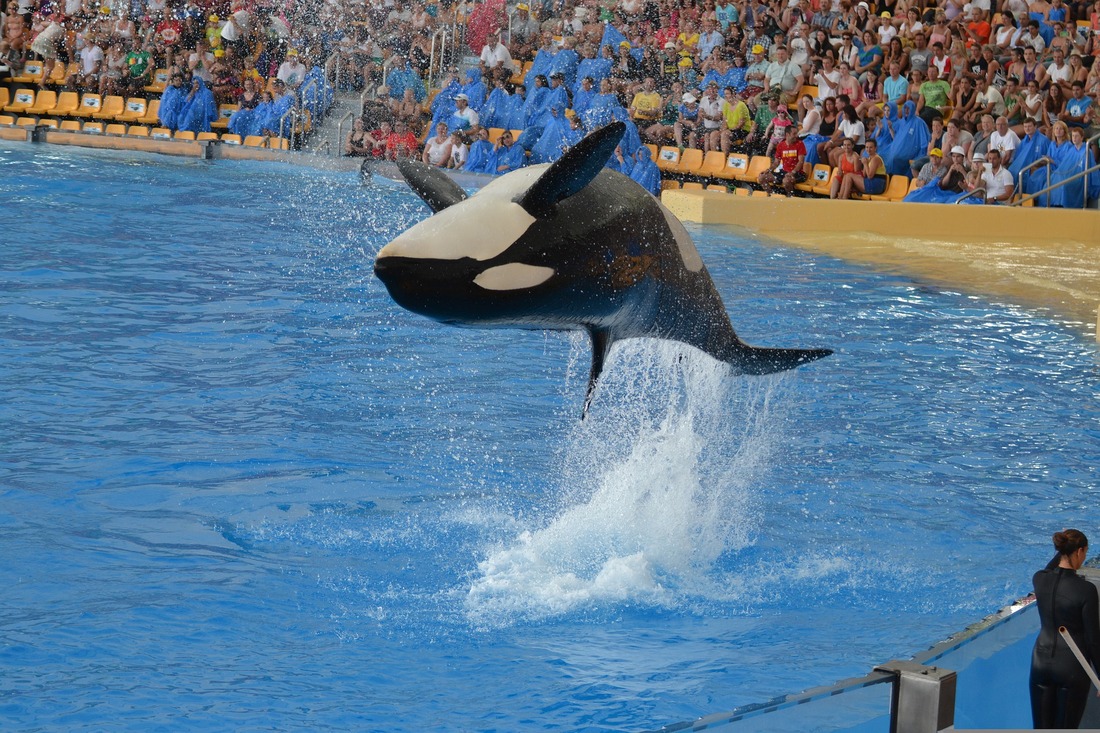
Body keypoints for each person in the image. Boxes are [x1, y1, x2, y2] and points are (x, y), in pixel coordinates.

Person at [1030, 529, 1100, 730]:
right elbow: (1092, 638)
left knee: (1041, 727)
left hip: (1040, 662)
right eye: (1085, 553)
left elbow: (1050, 569)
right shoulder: (1086, 590)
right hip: (1072, 667)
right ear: (1079, 551)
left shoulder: (1040, 579)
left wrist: (1062, 553)